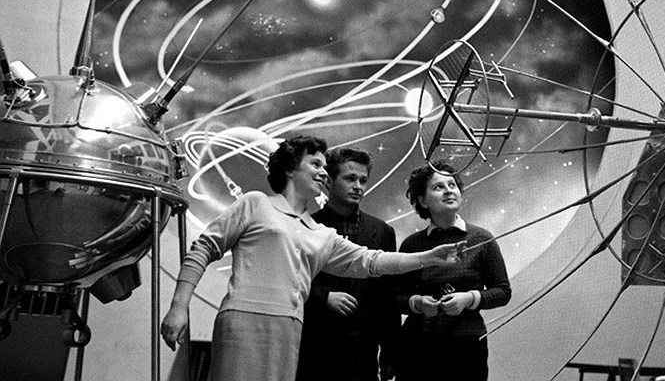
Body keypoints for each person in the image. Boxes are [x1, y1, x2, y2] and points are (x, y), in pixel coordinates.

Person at [160, 136, 463, 381]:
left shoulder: (320, 233)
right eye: (315, 164)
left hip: (289, 329)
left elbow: (372, 261)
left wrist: (428, 257)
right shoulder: (255, 203)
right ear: (290, 169)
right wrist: (178, 307)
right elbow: (204, 248)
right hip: (243, 321)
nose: (323, 172)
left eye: (325, 166)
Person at [394, 161, 511, 381]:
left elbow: (503, 291)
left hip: (467, 348)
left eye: (452, 185)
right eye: (438, 187)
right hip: (418, 348)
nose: (449, 191)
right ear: (422, 201)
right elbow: (395, 297)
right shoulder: (412, 244)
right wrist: (418, 303)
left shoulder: (482, 239)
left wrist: (469, 299)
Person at [295, 148, 398, 381]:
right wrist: (323, 297)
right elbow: (288, 280)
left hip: (363, 352)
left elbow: (388, 296)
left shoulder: (383, 231)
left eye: (363, 180)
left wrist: (390, 352)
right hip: (315, 347)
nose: (358, 186)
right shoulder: (305, 226)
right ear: (329, 181)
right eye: (350, 178)